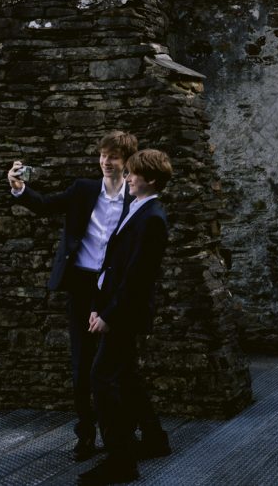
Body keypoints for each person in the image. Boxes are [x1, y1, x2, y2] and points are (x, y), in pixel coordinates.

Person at [7, 131, 169, 462]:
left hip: (114, 290)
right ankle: (86, 436)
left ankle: (132, 438)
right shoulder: (83, 190)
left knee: (117, 368)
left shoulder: (136, 199)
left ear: (127, 164)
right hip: (82, 285)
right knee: (83, 366)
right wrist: (19, 189)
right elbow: (45, 206)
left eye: (113, 157)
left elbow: (138, 254)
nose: (105, 162)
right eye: (102, 155)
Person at [79, 149, 172, 486]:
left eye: (133, 173)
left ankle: (121, 461)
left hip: (125, 314)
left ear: (151, 179)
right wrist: (97, 305)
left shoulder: (153, 218)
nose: (128, 177)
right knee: (128, 374)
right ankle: (153, 438)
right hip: (115, 309)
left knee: (101, 378)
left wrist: (110, 315)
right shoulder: (138, 209)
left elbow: (136, 278)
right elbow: (114, 266)